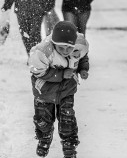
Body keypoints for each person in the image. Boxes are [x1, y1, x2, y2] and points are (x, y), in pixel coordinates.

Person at [28, 21, 89, 158]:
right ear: (54, 43)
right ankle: (44, 138)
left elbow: (83, 56)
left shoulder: (79, 45)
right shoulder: (43, 52)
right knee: (43, 120)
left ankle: (69, 145)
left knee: (67, 118)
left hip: (67, 89)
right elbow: (38, 72)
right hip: (44, 91)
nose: (66, 51)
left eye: (69, 48)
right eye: (61, 48)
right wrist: (60, 74)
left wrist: (83, 69)